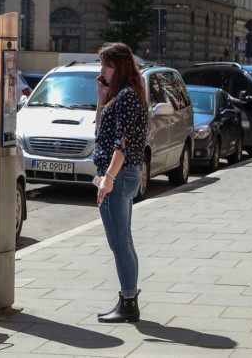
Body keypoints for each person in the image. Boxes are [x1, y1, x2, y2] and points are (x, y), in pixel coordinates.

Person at [93, 42, 148, 323]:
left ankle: (128, 304)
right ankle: (129, 298)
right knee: (125, 241)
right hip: (125, 173)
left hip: (119, 173)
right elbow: (102, 130)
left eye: (106, 65)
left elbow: (121, 144)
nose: (102, 70)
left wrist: (108, 179)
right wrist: (102, 96)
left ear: (120, 66)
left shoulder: (127, 96)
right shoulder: (126, 94)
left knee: (119, 243)